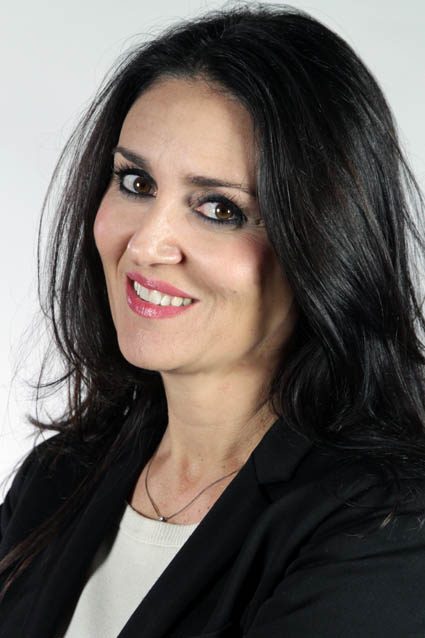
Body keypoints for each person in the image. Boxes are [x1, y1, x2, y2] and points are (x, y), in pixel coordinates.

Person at [1, 4, 425, 637]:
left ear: (325, 242)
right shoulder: (59, 476)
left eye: (220, 209)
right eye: (135, 182)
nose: (147, 245)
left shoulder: (385, 525)